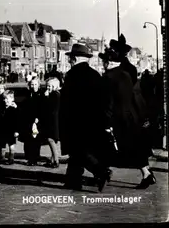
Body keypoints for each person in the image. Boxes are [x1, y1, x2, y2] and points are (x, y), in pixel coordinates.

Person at [101, 46, 155, 189]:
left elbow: (108, 102)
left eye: (104, 62)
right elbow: (135, 96)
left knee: (112, 147)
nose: (103, 65)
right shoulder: (126, 75)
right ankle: (146, 173)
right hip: (131, 116)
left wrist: (107, 122)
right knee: (133, 146)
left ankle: (103, 174)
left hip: (117, 118)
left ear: (108, 62)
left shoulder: (108, 77)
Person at [59, 44, 110, 192]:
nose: (70, 61)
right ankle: (72, 180)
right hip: (93, 121)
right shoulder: (95, 75)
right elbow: (102, 100)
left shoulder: (71, 75)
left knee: (78, 151)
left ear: (74, 59)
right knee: (79, 152)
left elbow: (66, 102)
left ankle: (101, 171)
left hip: (75, 121)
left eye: (70, 59)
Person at [0, 86, 19, 165]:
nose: (5, 100)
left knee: (11, 145)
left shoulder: (13, 109)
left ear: (12, 99)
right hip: (3, 129)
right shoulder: (2, 108)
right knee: (2, 144)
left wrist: (16, 130)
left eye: (7, 99)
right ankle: (2, 157)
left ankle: (11, 158)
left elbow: (16, 121)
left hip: (11, 130)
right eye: (4, 99)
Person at [20, 77, 45, 166]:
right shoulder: (28, 94)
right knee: (28, 140)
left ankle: (33, 159)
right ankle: (29, 157)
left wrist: (38, 118)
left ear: (38, 85)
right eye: (32, 84)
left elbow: (42, 108)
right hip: (27, 120)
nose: (34, 86)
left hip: (37, 121)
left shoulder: (41, 95)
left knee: (35, 140)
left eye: (35, 84)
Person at [41, 77, 61, 168]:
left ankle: (56, 160)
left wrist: (46, 97)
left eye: (49, 86)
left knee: (50, 140)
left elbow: (49, 107)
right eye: (47, 86)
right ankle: (53, 159)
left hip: (52, 121)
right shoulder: (57, 94)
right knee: (53, 140)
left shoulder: (54, 95)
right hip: (55, 120)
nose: (47, 88)